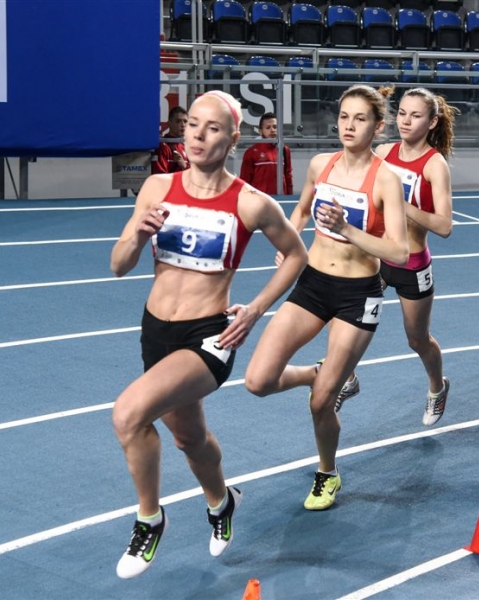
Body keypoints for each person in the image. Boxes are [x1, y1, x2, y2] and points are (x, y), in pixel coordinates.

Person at [110, 90, 307, 577]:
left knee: (129, 415)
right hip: (156, 332)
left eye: (212, 128)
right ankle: (222, 502)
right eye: (192, 124)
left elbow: (297, 255)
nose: (197, 135)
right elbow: (118, 265)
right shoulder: (157, 187)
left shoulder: (251, 203)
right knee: (189, 438)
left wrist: (256, 309)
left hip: (209, 337)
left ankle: (149, 519)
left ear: (233, 138)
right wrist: (138, 234)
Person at [244, 84, 408, 510]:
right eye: (344, 117)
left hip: (358, 296)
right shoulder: (321, 164)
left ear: (378, 127)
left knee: (321, 404)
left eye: (360, 119)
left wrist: (347, 229)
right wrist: (290, 240)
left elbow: (399, 251)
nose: (349, 126)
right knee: (257, 381)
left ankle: (327, 472)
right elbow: (301, 209)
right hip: (313, 284)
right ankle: (316, 373)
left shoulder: (386, 180)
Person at [338, 87, 458, 426]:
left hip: (411, 264)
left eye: (415, 115)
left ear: (432, 122)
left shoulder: (435, 165)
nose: (405, 121)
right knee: (345, 317)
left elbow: (445, 226)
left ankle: (437, 387)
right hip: (376, 257)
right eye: (402, 113)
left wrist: (400, 204)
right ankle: (347, 379)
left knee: (417, 339)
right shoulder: (384, 151)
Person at [239, 112, 293, 195]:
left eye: (275, 127)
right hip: (259, 199)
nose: (272, 130)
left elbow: (288, 177)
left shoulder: (285, 150)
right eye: (268, 127)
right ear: (261, 131)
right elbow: (245, 181)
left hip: (281, 199)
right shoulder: (251, 152)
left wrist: (289, 197)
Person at [151, 106, 189, 174]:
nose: (183, 125)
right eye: (178, 121)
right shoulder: (162, 147)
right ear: (169, 124)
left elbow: (195, 176)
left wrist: (184, 166)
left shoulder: (185, 147)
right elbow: (160, 176)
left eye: (185, 121)